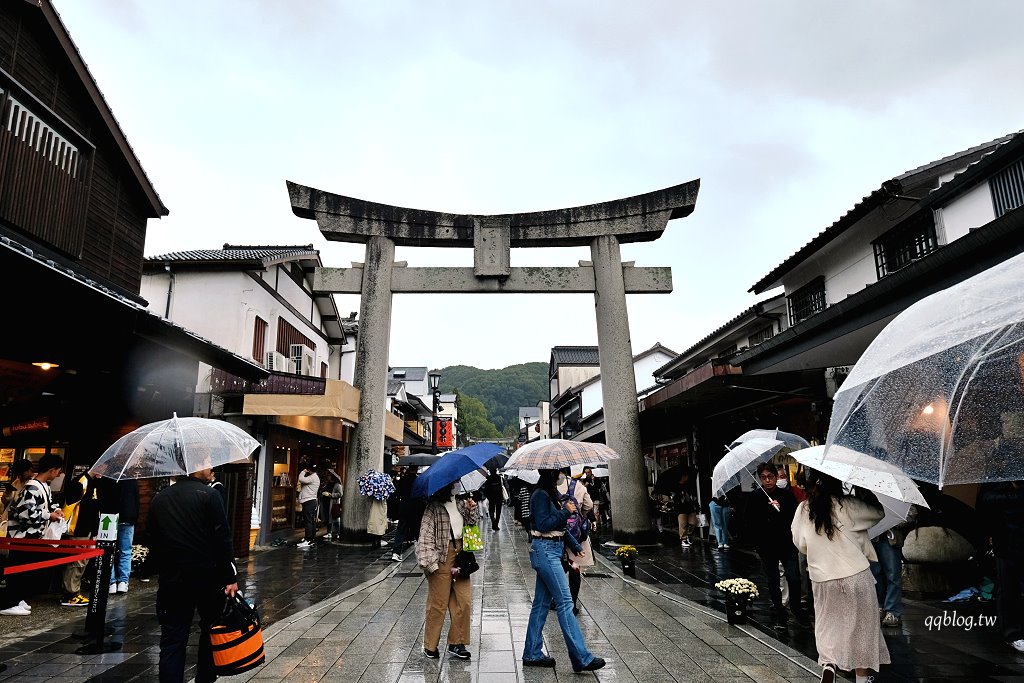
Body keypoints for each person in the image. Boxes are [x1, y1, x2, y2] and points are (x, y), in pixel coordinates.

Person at [791, 469, 888, 683]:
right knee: (863, 628)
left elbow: (800, 544)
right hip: (856, 574)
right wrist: (863, 491)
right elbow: (878, 513)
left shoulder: (803, 509)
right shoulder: (849, 505)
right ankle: (862, 679)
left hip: (823, 578)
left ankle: (829, 665)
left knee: (828, 625)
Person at [148, 467, 238, 683]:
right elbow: (222, 538)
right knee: (209, 632)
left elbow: (151, 538)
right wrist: (229, 577)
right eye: (207, 463)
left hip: (172, 579)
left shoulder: (160, 498)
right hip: (207, 578)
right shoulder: (209, 495)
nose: (212, 468)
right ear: (196, 467)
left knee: (172, 639)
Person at [522, 468, 605, 673]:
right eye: (558, 471)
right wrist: (566, 511)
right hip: (545, 551)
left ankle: (532, 652)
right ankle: (581, 657)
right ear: (551, 473)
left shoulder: (550, 494)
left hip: (551, 549)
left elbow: (560, 527)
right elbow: (543, 524)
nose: (561, 475)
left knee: (541, 604)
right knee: (566, 602)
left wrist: (575, 546)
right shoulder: (540, 495)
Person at [416, 482, 478, 660]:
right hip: (441, 556)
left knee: (463, 601)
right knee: (438, 603)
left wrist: (471, 509)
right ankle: (430, 645)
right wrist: (430, 564)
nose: (458, 484)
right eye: (454, 481)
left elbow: (472, 524)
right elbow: (425, 536)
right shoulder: (433, 507)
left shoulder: (460, 502)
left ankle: (457, 643)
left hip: (461, 554)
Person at [0, 453, 63, 616]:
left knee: (23, 570)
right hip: (22, 536)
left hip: (30, 536)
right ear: (51, 470)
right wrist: (50, 515)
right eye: (58, 470)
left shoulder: (42, 485)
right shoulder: (32, 486)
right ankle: (10, 602)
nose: (59, 474)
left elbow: (49, 503)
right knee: (19, 569)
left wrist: (56, 510)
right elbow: (25, 513)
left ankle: (16, 599)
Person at [747, 462, 808, 629]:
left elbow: (794, 519)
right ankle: (780, 613)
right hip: (767, 546)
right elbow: (752, 522)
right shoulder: (755, 497)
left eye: (771, 477)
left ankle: (796, 609)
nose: (768, 480)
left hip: (786, 544)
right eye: (764, 477)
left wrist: (780, 509)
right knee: (773, 580)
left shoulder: (786, 496)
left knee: (794, 576)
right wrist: (767, 512)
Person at [976, 480, 1024, 653]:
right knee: (1008, 588)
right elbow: (984, 505)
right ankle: (1013, 633)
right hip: (1005, 543)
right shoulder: (995, 484)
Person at [60, 471, 113, 607]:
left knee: (82, 561)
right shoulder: (81, 482)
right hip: (79, 529)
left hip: (88, 529)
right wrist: (64, 526)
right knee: (77, 561)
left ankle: (74, 591)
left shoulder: (94, 483)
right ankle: (70, 594)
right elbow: (68, 506)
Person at [870, 503, 916, 628]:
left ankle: (893, 610)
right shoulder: (866, 493)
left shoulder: (896, 495)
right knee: (875, 574)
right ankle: (880, 605)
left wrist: (892, 521)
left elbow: (911, 514)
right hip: (872, 537)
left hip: (890, 538)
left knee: (893, 574)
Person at [556, 469, 593, 614]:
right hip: (576, 533)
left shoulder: (553, 486)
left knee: (559, 567)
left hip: (559, 531)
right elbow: (589, 505)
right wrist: (580, 515)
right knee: (575, 568)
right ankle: (573, 602)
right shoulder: (578, 485)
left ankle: (557, 600)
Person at [109, 478, 140, 594]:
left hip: (110, 518)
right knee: (126, 550)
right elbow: (136, 501)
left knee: (109, 550)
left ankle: (111, 582)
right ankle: (123, 582)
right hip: (128, 517)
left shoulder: (109, 479)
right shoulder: (132, 480)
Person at [390, 468, 420, 560]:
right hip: (416, 507)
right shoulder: (418, 480)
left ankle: (396, 552)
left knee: (401, 530)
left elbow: (396, 493)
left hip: (404, 507)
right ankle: (423, 552)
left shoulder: (402, 480)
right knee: (418, 531)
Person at [296, 463, 320, 548]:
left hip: (309, 501)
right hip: (311, 501)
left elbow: (301, 479)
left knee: (308, 521)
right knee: (311, 521)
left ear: (310, 470)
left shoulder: (312, 477)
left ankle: (308, 540)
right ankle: (311, 539)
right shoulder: (315, 477)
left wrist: (303, 471)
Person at [323, 470, 343, 542]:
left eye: (328, 475)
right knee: (328, 517)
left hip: (333, 503)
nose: (327, 477)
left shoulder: (337, 485)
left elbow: (340, 494)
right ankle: (329, 532)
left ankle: (337, 532)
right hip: (326, 502)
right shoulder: (327, 484)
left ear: (332, 476)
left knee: (335, 518)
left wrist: (331, 495)